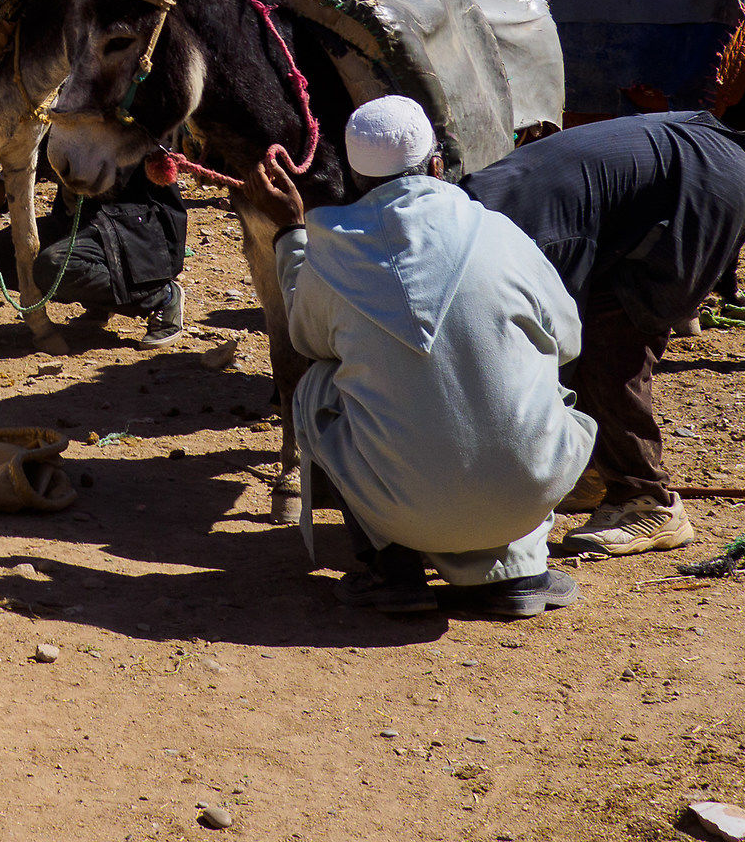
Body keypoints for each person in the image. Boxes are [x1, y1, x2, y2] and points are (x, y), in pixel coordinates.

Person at [245, 98, 593, 618]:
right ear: (436, 165)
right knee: (536, 377)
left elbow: (307, 339)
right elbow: (569, 342)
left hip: (402, 509)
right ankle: (521, 569)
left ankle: (393, 568)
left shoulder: (328, 251)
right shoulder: (502, 234)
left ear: (356, 179)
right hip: (529, 494)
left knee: (319, 384)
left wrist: (293, 234)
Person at [460, 109, 745, 558]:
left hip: (700, 188)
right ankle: (591, 474)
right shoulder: (462, 211)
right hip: (696, 158)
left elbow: (548, 342)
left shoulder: (505, 243)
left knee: (608, 346)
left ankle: (647, 502)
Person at [0, 176, 188, 347]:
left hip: (134, 224)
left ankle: (161, 297)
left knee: (54, 266)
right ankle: (102, 302)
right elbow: (34, 151)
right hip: (81, 220)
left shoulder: (125, 134)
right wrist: (3, 185)